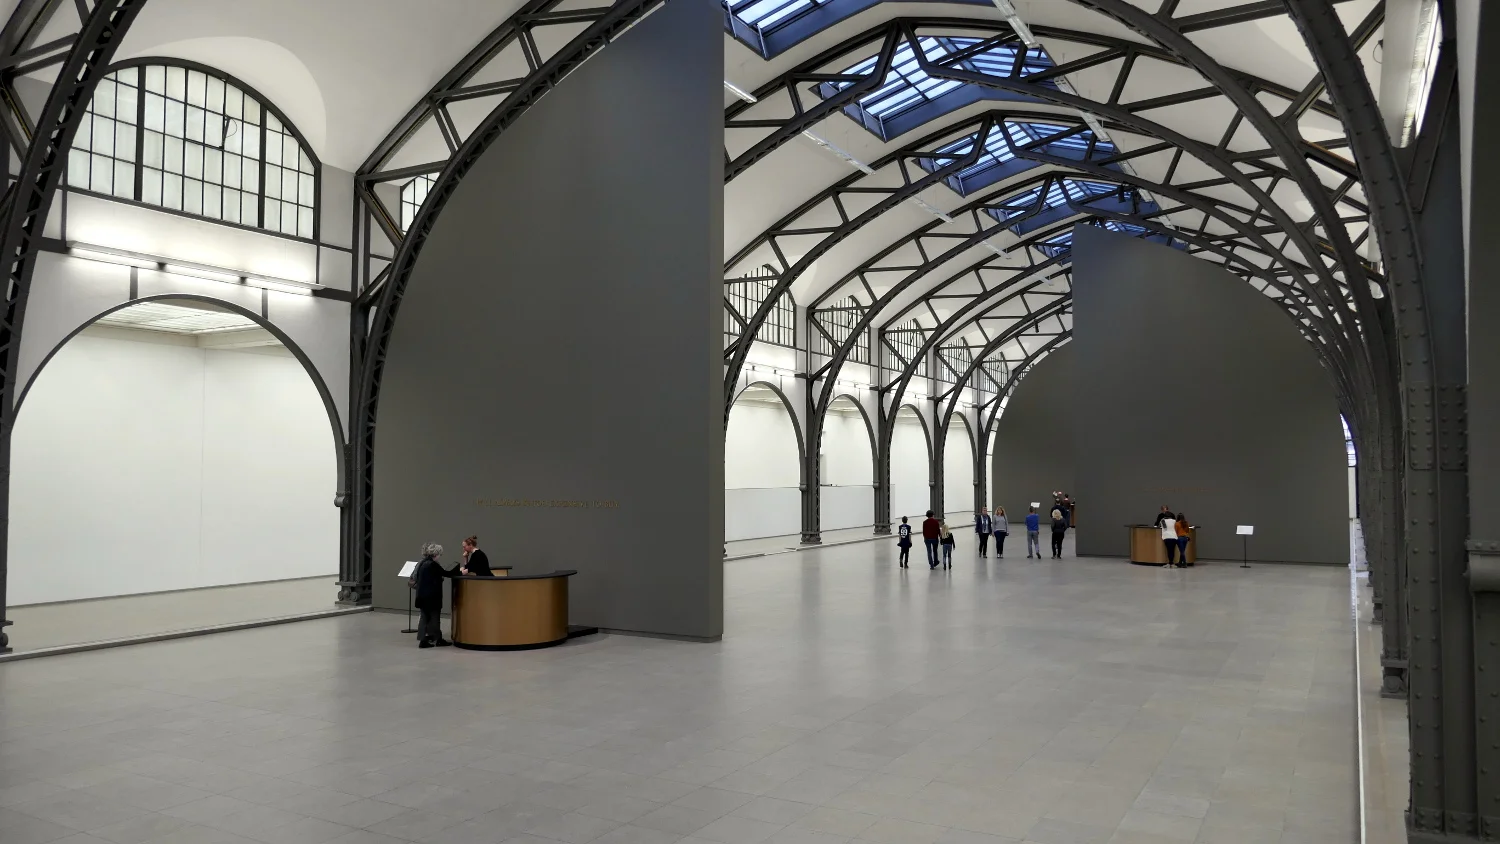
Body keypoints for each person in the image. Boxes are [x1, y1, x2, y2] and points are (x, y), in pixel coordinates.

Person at [409, 542, 457, 648]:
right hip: (432, 597)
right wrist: (461, 572)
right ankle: (438, 639)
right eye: (440, 554)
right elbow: (446, 573)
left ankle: (422, 640)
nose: (440, 556)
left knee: (424, 618)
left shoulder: (422, 563)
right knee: (435, 618)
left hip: (421, 596)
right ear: (436, 554)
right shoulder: (433, 564)